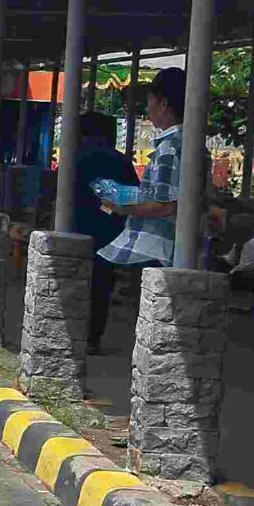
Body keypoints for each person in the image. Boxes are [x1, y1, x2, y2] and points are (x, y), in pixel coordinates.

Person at [97, 68, 187, 277]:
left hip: (152, 247)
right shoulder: (190, 145)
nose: (147, 109)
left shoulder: (169, 148)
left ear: (163, 104)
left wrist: (121, 206)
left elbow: (164, 205)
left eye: (149, 101)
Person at [72, 111, 138, 351]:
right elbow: (134, 196)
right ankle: (92, 338)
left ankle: (71, 335)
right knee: (101, 286)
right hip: (109, 233)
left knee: (73, 284)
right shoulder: (121, 161)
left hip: (74, 229)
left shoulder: (75, 157)